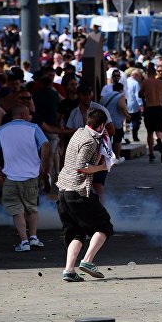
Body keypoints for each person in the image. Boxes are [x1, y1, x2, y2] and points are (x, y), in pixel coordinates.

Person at [56, 109, 114, 282]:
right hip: (78, 191)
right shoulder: (90, 141)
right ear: (101, 125)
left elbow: (88, 161)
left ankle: (69, 270)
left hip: (64, 192)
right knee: (104, 226)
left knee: (75, 232)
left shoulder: (79, 132)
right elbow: (82, 167)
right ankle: (87, 261)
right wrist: (104, 167)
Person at [0, 106, 49, 252]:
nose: (30, 116)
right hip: (31, 175)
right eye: (29, 113)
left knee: (16, 211)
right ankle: (34, 238)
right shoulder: (34, 128)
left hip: (11, 177)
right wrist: (42, 164)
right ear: (24, 114)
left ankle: (24, 242)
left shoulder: (2, 129)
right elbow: (45, 144)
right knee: (31, 208)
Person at [140, 66, 162, 162]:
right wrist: (159, 96)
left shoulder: (145, 82)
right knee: (159, 130)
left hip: (149, 108)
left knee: (149, 132)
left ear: (148, 73)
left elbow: (140, 94)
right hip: (159, 108)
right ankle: (160, 143)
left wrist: (147, 94)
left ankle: (151, 153)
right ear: (155, 73)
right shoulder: (161, 83)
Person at [100, 82, 131, 162]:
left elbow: (100, 104)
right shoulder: (121, 96)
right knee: (118, 139)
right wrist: (127, 116)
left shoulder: (106, 96)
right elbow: (121, 107)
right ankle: (117, 157)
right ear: (121, 89)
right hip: (116, 122)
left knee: (107, 139)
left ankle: (106, 158)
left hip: (105, 121)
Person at [126, 69, 143, 142]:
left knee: (126, 122)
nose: (140, 77)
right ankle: (135, 136)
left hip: (125, 104)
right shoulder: (135, 83)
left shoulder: (125, 81)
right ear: (135, 75)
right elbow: (137, 95)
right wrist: (141, 105)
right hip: (134, 105)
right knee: (136, 121)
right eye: (139, 76)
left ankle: (126, 138)